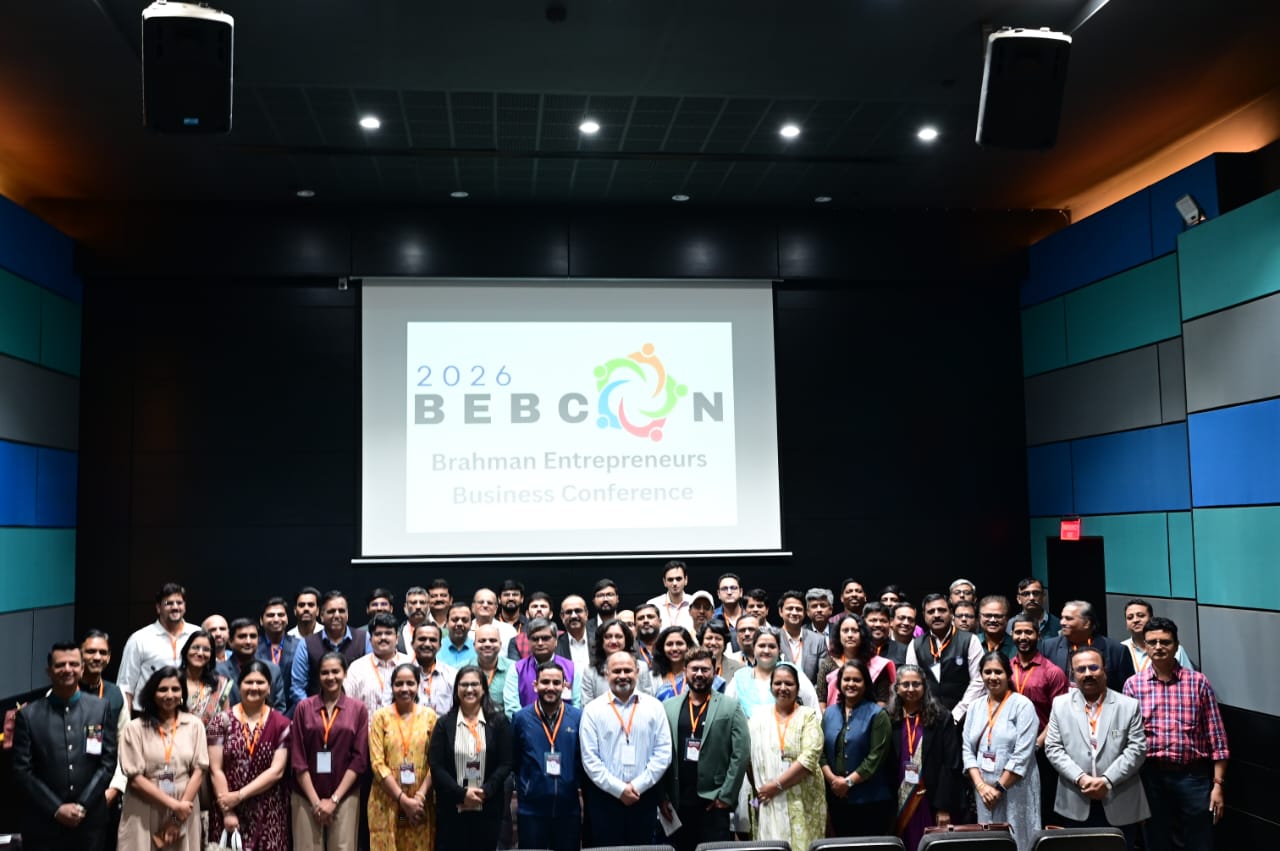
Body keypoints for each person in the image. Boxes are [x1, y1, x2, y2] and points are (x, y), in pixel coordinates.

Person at [1122, 616, 1228, 851]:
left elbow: (1217, 737)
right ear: (1145, 646)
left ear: (1176, 645)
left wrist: (1218, 785)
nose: (1158, 647)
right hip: (1150, 777)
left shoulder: (1198, 682)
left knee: (1200, 841)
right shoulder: (1133, 685)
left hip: (1192, 777)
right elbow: (1127, 740)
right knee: (1156, 841)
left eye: (1165, 642)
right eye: (1153, 642)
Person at [13, 642, 118, 851]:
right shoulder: (29, 715)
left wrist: (82, 805)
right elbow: (22, 771)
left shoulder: (99, 709)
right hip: (44, 824)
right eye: (60, 665)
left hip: (89, 822)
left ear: (82, 669)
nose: (67, 669)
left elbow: (107, 762)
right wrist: (56, 808)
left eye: (73, 664)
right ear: (49, 671)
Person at [1045, 647, 1149, 848]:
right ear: (1073, 674)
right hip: (1076, 799)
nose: (1087, 674)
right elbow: (1053, 748)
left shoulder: (1128, 705)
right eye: (1080, 669)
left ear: (1105, 670)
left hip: (1119, 798)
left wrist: (1106, 781)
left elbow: (1137, 749)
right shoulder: (1060, 705)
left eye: (1093, 667)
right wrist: (1081, 778)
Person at [659, 648, 750, 851]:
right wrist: (662, 796)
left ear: (715, 672)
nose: (699, 674)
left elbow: (741, 753)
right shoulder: (668, 707)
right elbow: (659, 753)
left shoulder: (731, 706)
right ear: (685, 671)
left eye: (705, 669)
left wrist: (726, 795)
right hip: (678, 803)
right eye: (694, 669)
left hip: (713, 802)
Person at [579, 650, 674, 846]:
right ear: (607, 674)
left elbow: (663, 753)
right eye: (616, 671)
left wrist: (637, 786)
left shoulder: (655, 707)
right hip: (605, 799)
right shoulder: (592, 710)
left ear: (637, 672)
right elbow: (590, 759)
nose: (622, 676)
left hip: (644, 797)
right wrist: (619, 789)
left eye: (627, 670)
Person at [117, 666, 208, 851]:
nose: (169, 695)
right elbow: (135, 779)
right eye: (162, 689)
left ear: (182, 693)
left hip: (185, 804)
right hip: (144, 806)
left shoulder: (194, 725)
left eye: (175, 689)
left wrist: (177, 817)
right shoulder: (135, 728)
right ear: (152, 693)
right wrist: (175, 806)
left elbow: (199, 772)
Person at [208, 660, 292, 851]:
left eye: (260, 682)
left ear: (269, 688)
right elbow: (215, 769)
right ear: (239, 686)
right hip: (227, 810)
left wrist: (239, 796)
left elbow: (277, 771)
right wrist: (228, 810)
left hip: (269, 812)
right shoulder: (221, 722)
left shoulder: (282, 724)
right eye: (249, 682)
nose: (254, 687)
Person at [289, 652, 369, 851]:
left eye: (336, 671)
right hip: (306, 795)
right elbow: (298, 759)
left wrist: (334, 800)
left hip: (345, 795)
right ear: (318, 676)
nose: (330, 677)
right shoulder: (303, 708)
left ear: (345, 674)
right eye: (325, 672)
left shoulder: (358, 709)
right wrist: (316, 802)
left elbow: (359, 759)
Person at [962, 651, 1041, 851]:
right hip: (984, 791)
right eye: (987, 672)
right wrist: (981, 787)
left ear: (1008, 674)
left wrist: (998, 789)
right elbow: (967, 749)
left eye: (998, 672)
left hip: (1017, 788)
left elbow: (1023, 754)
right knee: (989, 840)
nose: (993, 677)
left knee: (1019, 839)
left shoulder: (1023, 705)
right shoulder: (974, 707)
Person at [429, 665, 514, 851]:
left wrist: (485, 791)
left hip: (488, 807)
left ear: (483, 689)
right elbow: (436, 765)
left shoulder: (498, 722)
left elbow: (506, 762)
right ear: (456, 689)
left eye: (474, 684)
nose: (469, 689)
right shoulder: (444, 724)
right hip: (452, 810)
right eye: (464, 684)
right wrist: (462, 794)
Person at [747, 662, 826, 850]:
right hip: (768, 800)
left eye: (789, 683)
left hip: (802, 801)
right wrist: (762, 789)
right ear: (771, 687)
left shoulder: (808, 716)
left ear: (797, 688)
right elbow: (748, 759)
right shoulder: (757, 718)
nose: (783, 688)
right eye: (778, 683)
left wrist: (776, 786)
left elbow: (809, 758)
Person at [887, 665, 964, 851]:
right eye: (905, 684)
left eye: (916, 684)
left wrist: (943, 807)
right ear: (897, 688)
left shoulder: (941, 717)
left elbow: (951, 764)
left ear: (925, 686)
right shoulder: (889, 718)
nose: (911, 689)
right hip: (898, 802)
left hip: (931, 800)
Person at [512, 661, 583, 851]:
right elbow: (515, 760)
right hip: (531, 810)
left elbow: (580, 759)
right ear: (535, 685)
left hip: (568, 809)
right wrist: (528, 786)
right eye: (545, 682)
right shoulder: (521, 718)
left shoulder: (577, 718)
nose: (550, 687)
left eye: (556, 682)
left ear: (564, 686)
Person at [1008, 613, 1070, 823]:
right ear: (1011, 635)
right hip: (1008, 749)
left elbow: (1059, 715)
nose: (1023, 637)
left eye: (1028, 632)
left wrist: (1037, 744)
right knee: (1013, 808)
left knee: (1041, 808)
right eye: (1018, 632)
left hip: (1040, 751)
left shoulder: (1053, 672)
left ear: (1038, 635)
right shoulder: (1005, 669)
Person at [820, 659, 894, 835]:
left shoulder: (878, 714)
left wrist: (848, 782)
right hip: (836, 798)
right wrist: (833, 781)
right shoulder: (829, 713)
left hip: (870, 800)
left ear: (866, 683)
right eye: (846, 679)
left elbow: (876, 758)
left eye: (857, 680)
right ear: (839, 683)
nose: (851, 684)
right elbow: (821, 753)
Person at [368, 663, 437, 851]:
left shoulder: (430, 717)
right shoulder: (380, 717)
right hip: (385, 801)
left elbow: (436, 762)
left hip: (421, 802)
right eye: (399, 684)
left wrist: (419, 797)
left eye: (410, 683)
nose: (404, 689)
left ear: (418, 686)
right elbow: (377, 764)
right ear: (392, 687)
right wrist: (403, 800)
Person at [118, 582, 201, 710]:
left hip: (188, 714)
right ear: (158, 607)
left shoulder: (197, 634)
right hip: (147, 715)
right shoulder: (139, 639)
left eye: (179, 603)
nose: (175, 607)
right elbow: (126, 686)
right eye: (169, 603)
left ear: (185, 606)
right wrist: (126, 721)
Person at [905, 593, 985, 722]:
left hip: (964, 719)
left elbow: (978, 681)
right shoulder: (915, 645)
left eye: (941, 610)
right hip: (928, 718)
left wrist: (956, 715)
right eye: (931, 611)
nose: (936, 615)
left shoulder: (970, 640)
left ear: (951, 613)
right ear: (924, 616)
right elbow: (912, 682)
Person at [291, 591, 369, 708]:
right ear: (322, 616)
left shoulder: (364, 639)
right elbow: (298, 688)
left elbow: (370, 679)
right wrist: (311, 712)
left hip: (354, 712)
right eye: (331, 611)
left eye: (341, 611)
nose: (336, 615)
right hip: (316, 712)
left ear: (347, 615)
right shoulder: (306, 644)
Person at [726, 625, 819, 718]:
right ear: (754, 648)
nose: (766, 651)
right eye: (762, 646)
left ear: (779, 650)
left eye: (772, 646)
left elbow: (813, 707)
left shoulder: (791, 672)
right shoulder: (740, 677)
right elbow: (727, 711)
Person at [1041, 600, 1134, 690]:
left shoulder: (1116, 651)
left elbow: (1127, 689)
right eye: (1062, 618)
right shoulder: (1049, 647)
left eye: (1068, 619)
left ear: (1086, 623)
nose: (1062, 622)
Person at [504, 617, 579, 716]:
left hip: (565, 725)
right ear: (528, 642)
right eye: (535, 639)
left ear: (556, 641)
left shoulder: (571, 668)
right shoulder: (516, 669)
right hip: (526, 725)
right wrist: (532, 724)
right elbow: (512, 709)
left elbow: (577, 705)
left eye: (545, 638)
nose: (540, 643)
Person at [817, 614, 896, 706]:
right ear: (838, 635)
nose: (850, 635)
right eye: (845, 631)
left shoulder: (877, 665)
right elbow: (821, 700)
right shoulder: (828, 663)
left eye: (855, 631)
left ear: (862, 634)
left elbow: (882, 700)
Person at [344, 612, 413, 718]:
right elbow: (347, 706)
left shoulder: (410, 664)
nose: (383, 637)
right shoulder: (356, 668)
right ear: (370, 639)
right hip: (367, 728)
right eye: (378, 634)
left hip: (405, 727)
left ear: (397, 638)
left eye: (388, 633)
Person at [219, 618, 287, 711]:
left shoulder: (273, 670)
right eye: (242, 636)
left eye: (253, 636)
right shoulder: (218, 671)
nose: (248, 641)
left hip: (268, 720)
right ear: (230, 641)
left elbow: (279, 707)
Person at [581, 618, 657, 702]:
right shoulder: (590, 671)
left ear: (626, 640)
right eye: (608, 637)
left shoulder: (641, 667)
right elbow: (587, 705)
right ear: (601, 641)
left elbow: (648, 701)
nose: (613, 641)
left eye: (618, 636)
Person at [1120, 598, 1193, 672]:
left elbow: (1189, 677)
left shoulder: (1174, 649)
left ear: (1151, 619)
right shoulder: (1120, 649)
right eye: (1130, 617)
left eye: (1141, 615)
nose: (1135, 620)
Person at [180, 629, 233, 726]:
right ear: (186, 650)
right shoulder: (173, 680)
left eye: (206, 649)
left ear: (211, 655)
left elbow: (225, 722)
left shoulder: (219, 684)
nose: (200, 653)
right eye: (195, 647)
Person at [258, 596, 302, 713]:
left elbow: (301, 686)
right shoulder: (253, 647)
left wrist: (287, 718)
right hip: (258, 714)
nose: (276, 619)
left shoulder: (300, 646)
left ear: (287, 619)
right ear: (261, 621)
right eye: (271, 615)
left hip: (292, 713)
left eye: (281, 615)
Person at [777, 589, 829, 683]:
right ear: (781, 611)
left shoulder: (818, 640)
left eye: (798, 609)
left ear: (805, 613)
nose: (794, 613)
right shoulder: (772, 638)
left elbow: (823, 677)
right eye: (790, 608)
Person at [410, 621, 457, 716]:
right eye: (422, 639)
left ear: (440, 646)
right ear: (412, 644)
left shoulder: (452, 676)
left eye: (433, 640)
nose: (427, 644)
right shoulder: (401, 675)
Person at [653, 624, 702, 700]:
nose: (674, 648)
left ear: (688, 647)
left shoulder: (697, 674)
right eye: (669, 644)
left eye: (679, 643)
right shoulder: (654, 677)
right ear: (662, 648)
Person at [648, 559, 695, 630]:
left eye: (678, 579)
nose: (674, 583)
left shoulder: (694, 603)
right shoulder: (653, 605)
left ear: (686, 580)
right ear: (664, 582)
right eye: (670, 579)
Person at [697, 619, 744, 685]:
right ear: (701, 641)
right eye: (709, 638)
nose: (713, 642)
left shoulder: (739, 669)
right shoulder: (691, 667)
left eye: (718, 639)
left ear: (724, 643)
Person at [555, 594, 592, 673]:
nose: (574, 616)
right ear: (562, 616)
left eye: (578, 611)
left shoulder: (599, 640)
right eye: (569, 612)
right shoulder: (555, 645)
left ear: (586, 613)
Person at [440, 601, 478, 668]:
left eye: (465, 620)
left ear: (471, 624)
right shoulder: (436, 648)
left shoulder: (478, 649)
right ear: (446, 622)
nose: (459, 623)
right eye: (455, 619)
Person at [399, 586, 431, 651]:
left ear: (429, 607)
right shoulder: (397, 633)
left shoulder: (439, 632)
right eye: (413, 603)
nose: (418, 607)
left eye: (422, 602)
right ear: (405, 607)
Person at [633, 603, 662, 668]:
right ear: (635, 625)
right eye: (641, 618)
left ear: (660, 622)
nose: (646, 621)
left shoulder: (669, 647)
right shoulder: (629, 650)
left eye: (650, 617)